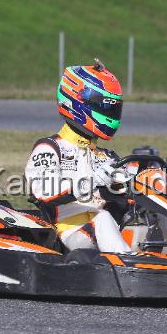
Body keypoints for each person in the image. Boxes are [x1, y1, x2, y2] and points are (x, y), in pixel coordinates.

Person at [25, 59, 131, 253]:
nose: (111, 113)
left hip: (108, 232)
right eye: (106, 107)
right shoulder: (50, 148)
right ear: (78, 102)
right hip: (68, 234)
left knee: (148, 222)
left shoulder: (107, 157)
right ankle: (133, 272)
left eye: (113, 108)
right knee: (102, 219)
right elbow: (45, 190)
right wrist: (92, 181)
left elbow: (127, 198)